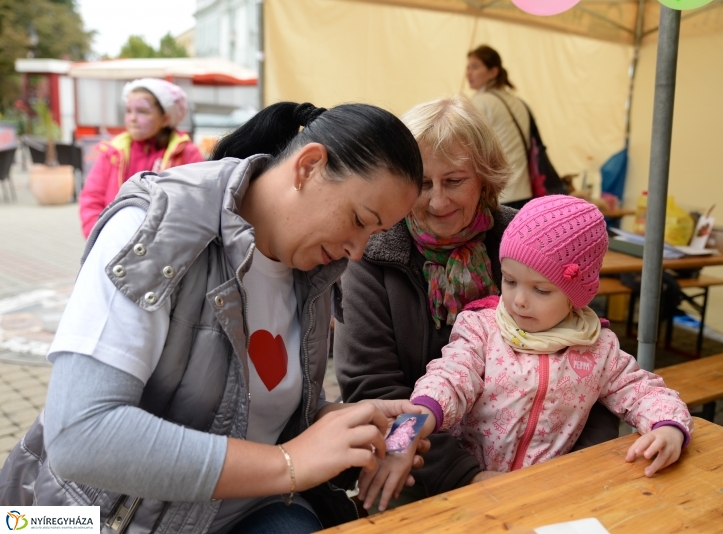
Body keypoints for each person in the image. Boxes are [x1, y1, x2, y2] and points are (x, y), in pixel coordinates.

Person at [0, 101, 428, 533]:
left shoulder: (313, 267)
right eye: (359, 220)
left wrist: (338, 428)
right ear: (309, 166)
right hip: (82, 519)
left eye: (373, 235)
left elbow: (245, 408)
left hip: (237, 510)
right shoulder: (155, 226)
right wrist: (290, 462)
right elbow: (80, 436)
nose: (357, 251)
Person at [333, 95, 620, 509]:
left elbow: (591, 361)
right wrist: (467, 476)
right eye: (422, 183)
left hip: (546, 468)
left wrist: (576, 467)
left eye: (454, 181)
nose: (437, 201)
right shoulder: (372, 253)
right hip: (413, 464)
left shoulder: (528, 238)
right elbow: (369, 387)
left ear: (485, 178)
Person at [358, 195, 694, 512]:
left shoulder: (598, 348)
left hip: (545, 495)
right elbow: (448, 379)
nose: (518, 300)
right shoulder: (483, 329)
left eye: (541, 289)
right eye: (510, 280)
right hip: (469, 491)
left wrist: (669, 428)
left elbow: (644, 391)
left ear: (576, 295)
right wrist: (407, 431)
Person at [78, 78, 204, 238]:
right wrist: (99, 237)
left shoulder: (186, 154)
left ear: (165, 119)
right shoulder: (112, 153)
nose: (132, 118)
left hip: (166, 251)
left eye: (142, 111)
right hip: (114, 244)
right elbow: (91, 198)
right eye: (128, 111)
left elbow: (199, 205)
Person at [466, 45, 538, 209]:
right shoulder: (519, 102)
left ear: (493, 72)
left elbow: (470, 149)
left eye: (475, 67)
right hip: (524, 191)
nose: (468, 73)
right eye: (468, 67)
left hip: (500, 194)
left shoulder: (481, 102)